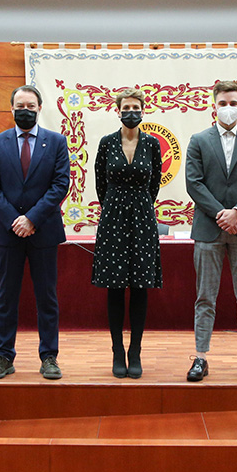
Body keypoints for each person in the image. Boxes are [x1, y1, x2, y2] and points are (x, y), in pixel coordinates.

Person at [0, 85, 70, 380]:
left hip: (43, 231)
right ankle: (4, 356)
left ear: (40, 108)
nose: (25, 110)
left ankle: (49, 357)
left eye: (31, 106)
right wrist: (14, 219)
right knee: (7, 296)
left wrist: (31, 218)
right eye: (20, 105)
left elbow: (60, 185)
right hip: (8, 233)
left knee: (47, 297)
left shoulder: (56, 142)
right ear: (11, 108)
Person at [184, 80, 237, 383]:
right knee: (205, 298)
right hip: (208, 228)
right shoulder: (198, 140)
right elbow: (194, 183)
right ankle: (200, 357)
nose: (228, 108)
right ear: (214, 105)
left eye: (233, 103)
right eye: (223, 103)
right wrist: (222, 214)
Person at [92, 88, 162, 379]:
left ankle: (135, 351)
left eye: (136, 107)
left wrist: (139, 204)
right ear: (117, 110)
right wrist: (115, 206)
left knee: (140, 286)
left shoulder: (152, 144)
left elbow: (154, 183)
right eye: (126, 107)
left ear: (142, 110)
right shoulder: (107, 143)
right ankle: (117, 350)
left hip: (143, 217)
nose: (131, 112)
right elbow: (100, 183)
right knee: (115, 286)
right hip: (113, 218)